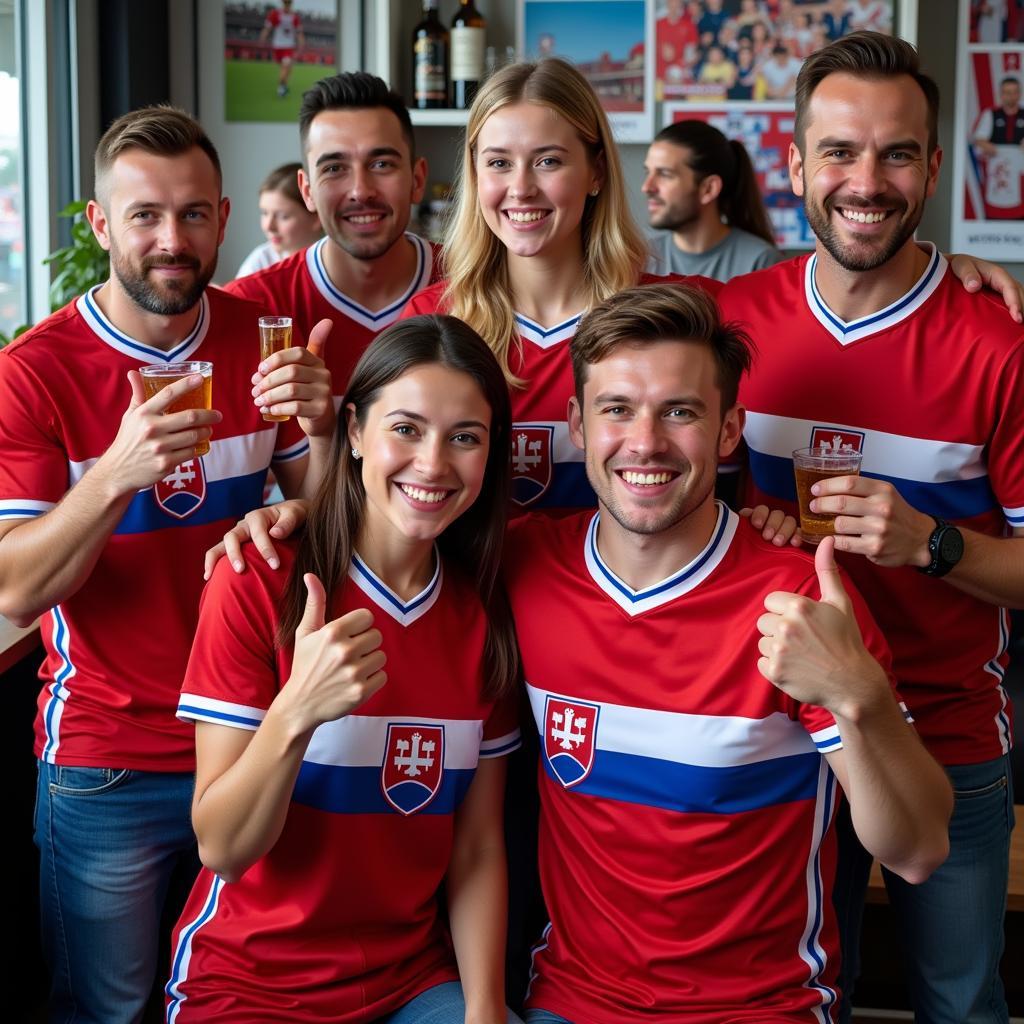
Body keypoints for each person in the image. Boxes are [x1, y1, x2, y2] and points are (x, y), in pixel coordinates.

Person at [509, 282, 950, 1024]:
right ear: (578, 425)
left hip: (756, 1009)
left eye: (679, 411)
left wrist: (860, 695)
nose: (645, 442)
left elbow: (917, 849)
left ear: (728, 431)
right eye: (617, 409)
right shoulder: (524, 571)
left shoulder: (802, 601)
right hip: (572, 1000)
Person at [0, 106, 334, 1024]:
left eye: (192, 215)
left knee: (239, 997)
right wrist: (115, 474)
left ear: (224, 219)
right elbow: (17, 588)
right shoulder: (35, 370)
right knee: (106, 1009)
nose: (171, 240)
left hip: (251, 746)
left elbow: (332, 519)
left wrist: (323, 428)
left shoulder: (260, 335)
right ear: (103, 225)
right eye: (144, 216)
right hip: (109, 762)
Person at [718, 31, 1023, 1023]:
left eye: (897, 154)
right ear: (795, 165)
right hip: (775, 734)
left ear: (933, 168)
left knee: (957, 999)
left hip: (943, 732)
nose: (867, 180)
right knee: (812, 999)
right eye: (840, 152)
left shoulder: (997, 340)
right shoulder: (727, 321)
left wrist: (930, 542)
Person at [165, 315, 522, 1022]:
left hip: (411, 982)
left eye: (465, 438)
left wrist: (485, 1010)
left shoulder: (483, 613)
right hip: (250, 983)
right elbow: (224, 848)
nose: (433, 464)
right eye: (407, 429)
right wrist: (297, 710)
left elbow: (478, 847)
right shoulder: (257, 580)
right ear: (353, 431)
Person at [402, 58, 691, 513]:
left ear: (596, 172)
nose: (521, 188)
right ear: (476, 177)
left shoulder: (672, 317)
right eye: (498, 163)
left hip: (626, 583)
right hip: (474, 584)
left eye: (548, 161)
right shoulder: (431, 321)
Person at [226, 72, 437, 404]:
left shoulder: (475, 283)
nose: (360, 191)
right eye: (335, 168)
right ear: (307, 190)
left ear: (417, 179)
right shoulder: (252, 306)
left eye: (381, 164)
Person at [643, 119, 784, 281]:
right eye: (648, 172)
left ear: (709, 189)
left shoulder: (761, 263)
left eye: (665, 174)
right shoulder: (643, 259)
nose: (647, 187)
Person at [235, 161, 323, 278]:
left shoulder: (341, 262)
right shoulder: (260, 262)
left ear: (317, 217)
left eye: (283, 216)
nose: (268, 226)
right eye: (265, 213)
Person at [972, 76, 1024, 220]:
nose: (1011, 96)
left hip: (1020, 174)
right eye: (1007, 92)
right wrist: (988, 146)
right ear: (1001, 94)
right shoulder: (991, 115)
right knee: (995, 214)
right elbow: (978, 140)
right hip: (997, 170)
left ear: (1019, 94)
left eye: (1014, 92)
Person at [260, 0, 305, 98]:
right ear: (283, 3)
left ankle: (281, 89)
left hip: (289, 46)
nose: (287, 5)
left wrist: (301, 44)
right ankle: (283, 85)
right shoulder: (275, 14)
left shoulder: (295, 17)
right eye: (285, 3)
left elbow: (299, 32)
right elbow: (267, 28)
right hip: (278, 46)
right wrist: (263, 38)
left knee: (286, 66)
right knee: (285, 69)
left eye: (289, 3)